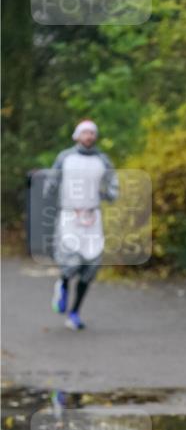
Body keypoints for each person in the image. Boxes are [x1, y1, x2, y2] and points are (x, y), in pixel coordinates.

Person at [45, 120, 118, 330]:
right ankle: (63, 286)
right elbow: (51, 184)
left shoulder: (102, 160)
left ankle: (74, 313)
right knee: (71, 262)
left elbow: (112, 187)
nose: (89, 136)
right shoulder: (65, 158)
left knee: (91, 266)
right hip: (69, 216)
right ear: (77, 136)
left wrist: (106, 194)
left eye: (92, 133)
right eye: (85, 133)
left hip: (92, 218)